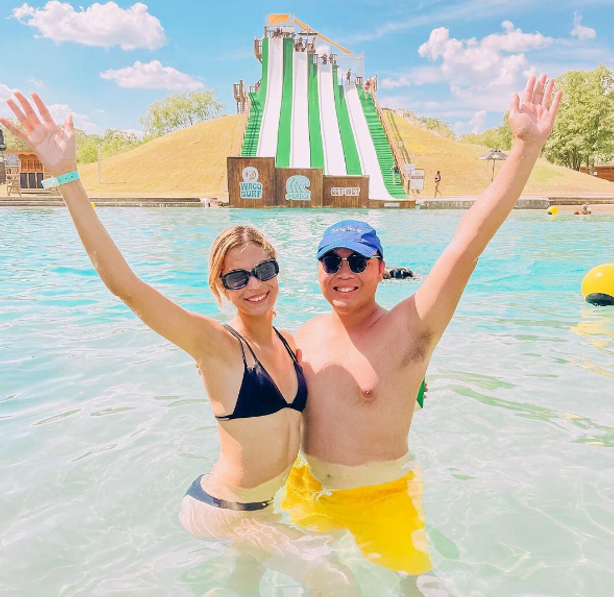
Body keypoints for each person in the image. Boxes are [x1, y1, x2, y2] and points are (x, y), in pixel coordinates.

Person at [1, 92, 357, 596]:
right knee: (333, 579)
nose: (253, 285)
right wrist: (67, 177)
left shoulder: (290, 342)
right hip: (223, 511)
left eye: (263, 271)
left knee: (245, 586)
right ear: (219, 289)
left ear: (277, 272)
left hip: (263, 508)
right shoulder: (214, 345)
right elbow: (126, 286)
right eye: (236, 279)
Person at [281, 75, 561, 588]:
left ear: (381, 269)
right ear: (319, 270)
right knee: (306, 582)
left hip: (382, 491)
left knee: (412, 587)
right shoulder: (301, 336)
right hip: (308, 487)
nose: (344, 271)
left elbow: (467, 242)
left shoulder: (410, 328)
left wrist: (526, 146)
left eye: (357, 261)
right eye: (331, 261)